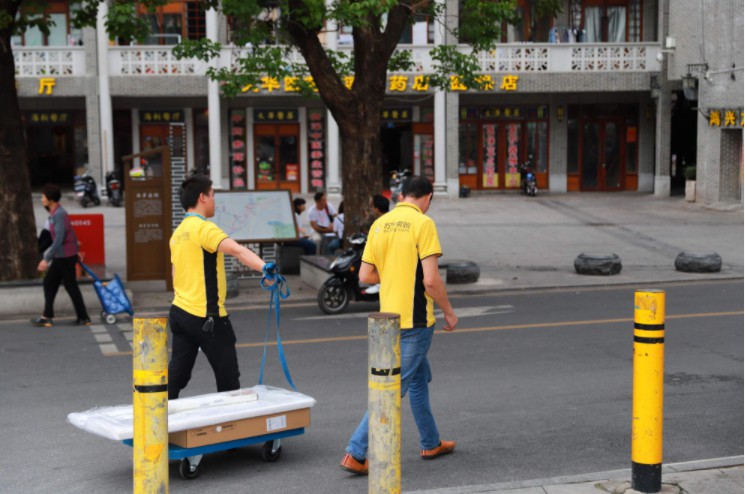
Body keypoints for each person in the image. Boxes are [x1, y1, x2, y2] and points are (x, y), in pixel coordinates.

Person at [340, 176, 459, 475]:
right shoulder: (423, 224)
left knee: (418, 379)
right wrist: (449, 311)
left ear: (401, 195)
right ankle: (355, 452)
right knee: (393, 389)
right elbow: (430, 280)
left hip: (387, 321)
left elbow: (365, 276)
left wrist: (393, 274)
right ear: (427, 197)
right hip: (416, 321)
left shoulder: (380, 224)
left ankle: (431, 442)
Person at [168, 174, 272, 400]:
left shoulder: (178, 233)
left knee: (177, 375)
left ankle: (156, 422)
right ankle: (231, 431)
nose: (215, 200)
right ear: (203, 198)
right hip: (208, 318)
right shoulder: (205, 229)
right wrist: (266, 269)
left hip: (180, 313)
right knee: (228, 379)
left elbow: (175, 272)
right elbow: (237, 250)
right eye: (213, 195)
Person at [31, 184, 91, 327]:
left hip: (64, 256)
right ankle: (82, 317)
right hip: (65, 255)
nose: (42, 199)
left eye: (43, 196)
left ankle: (49, 316)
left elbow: (59, 239)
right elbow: (71, 232)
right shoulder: (57, 213)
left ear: (50, 199)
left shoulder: (59, 214)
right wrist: (75, 249)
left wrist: (46, 259)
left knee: (59, 284)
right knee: (60, 284)